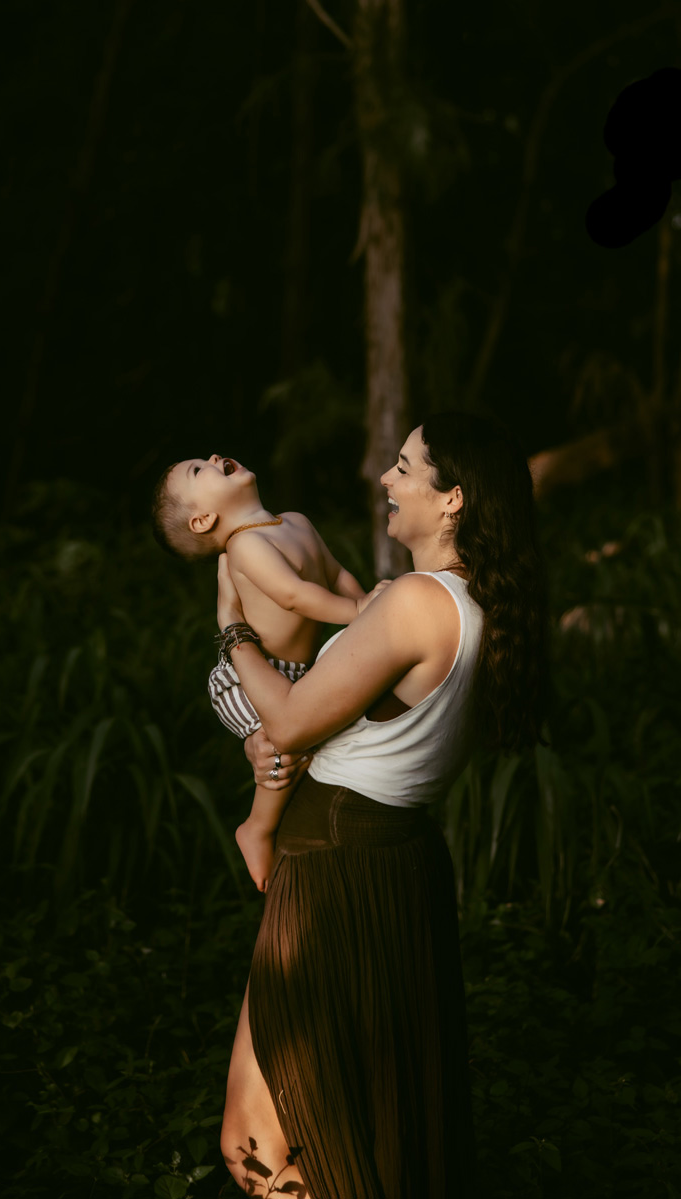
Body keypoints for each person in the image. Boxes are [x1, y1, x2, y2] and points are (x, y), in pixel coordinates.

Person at [217, 413, 549, 1198]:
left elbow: (292, 721)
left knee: (257, 1145)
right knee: (367, 1119)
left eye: (405, 467)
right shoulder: (469, 604)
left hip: (337, 862)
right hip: (389, 859)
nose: (386, 479)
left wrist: (232, 630)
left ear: (454, 498)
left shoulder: (414, 604)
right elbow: (325, 726)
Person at [151, 452, 384, 891]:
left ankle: (291, 822)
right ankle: (256, 828)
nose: (214, 457)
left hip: (298, 674)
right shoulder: (245, 547)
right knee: (282, 751)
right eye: (198, 469)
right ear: (202, 521)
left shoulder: (294, 521)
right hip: (247, 679)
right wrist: (359, 610)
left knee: (310, 747)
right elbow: (294, 595)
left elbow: (334, 574)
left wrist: (366, 601)